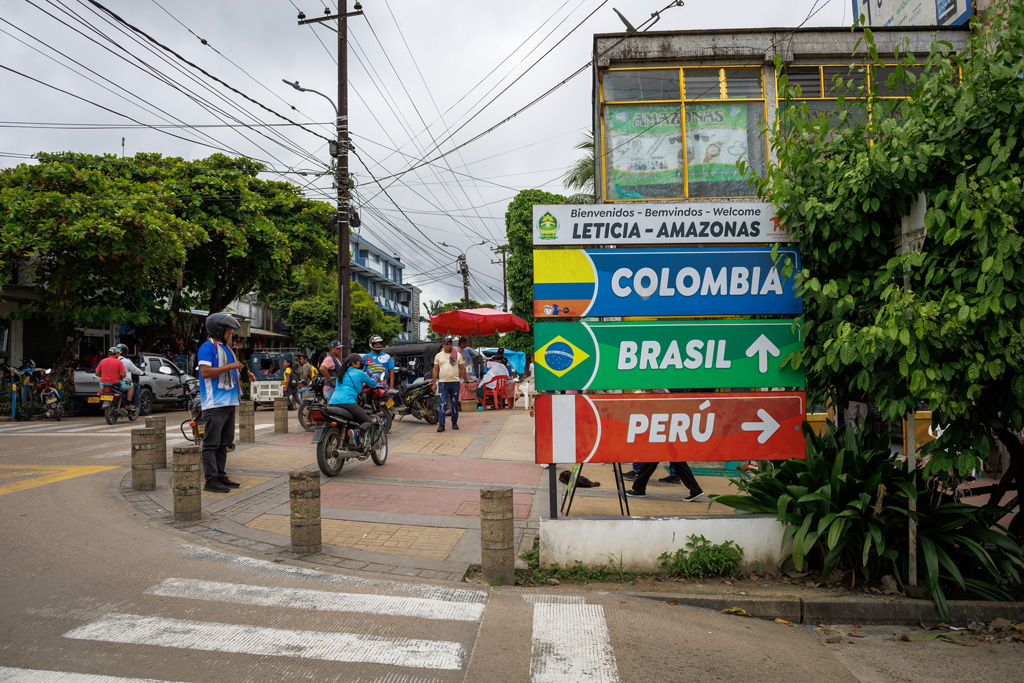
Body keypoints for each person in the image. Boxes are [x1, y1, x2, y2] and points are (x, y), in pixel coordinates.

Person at [197, 312, 256, 494]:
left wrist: (244, 373)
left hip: (229, 402)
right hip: (215, 404)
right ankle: (211, 480)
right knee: (211, 443)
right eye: (229, 329)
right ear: (219, 329)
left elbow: (232, 370)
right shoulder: (207, 348)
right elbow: (206, 372)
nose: (231, 332)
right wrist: (231, 367)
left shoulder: (227, 349)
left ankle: (221, 475)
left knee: (224, 442)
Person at [327, 353, 378, 445]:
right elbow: (374, 384)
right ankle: (356, 432)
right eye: (359, 363)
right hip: (347, 403)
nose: (360, 364)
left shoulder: (340, 374)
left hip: (332, 403)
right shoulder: (360, 373)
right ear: (353, 364)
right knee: (368, 421)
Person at [431, 336, 467, 433]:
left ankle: (454, 422)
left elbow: (462, 368)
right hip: (443, 384)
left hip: (455, 383)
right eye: (447, 344)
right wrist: (434, 383)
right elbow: (435, 370)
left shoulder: (457, 355)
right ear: (443, 345)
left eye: (451, 344)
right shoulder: (438, 356)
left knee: (454, 403)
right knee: (442, 403)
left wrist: (466, 380)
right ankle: (441, 424)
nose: (449, 346)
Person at [625, 461, 706, 501]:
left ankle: (639, 489)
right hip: (667, 435)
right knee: (677, 461)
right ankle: (695, 490)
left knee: (652, 458)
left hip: (664, 435)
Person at [116, 343, 145, 412]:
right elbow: (135, 370)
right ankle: (131, 405)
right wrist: (142, 373)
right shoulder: (126, 361)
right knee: (135, 386)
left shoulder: (111, 360)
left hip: (109, 382)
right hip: (122, 383)